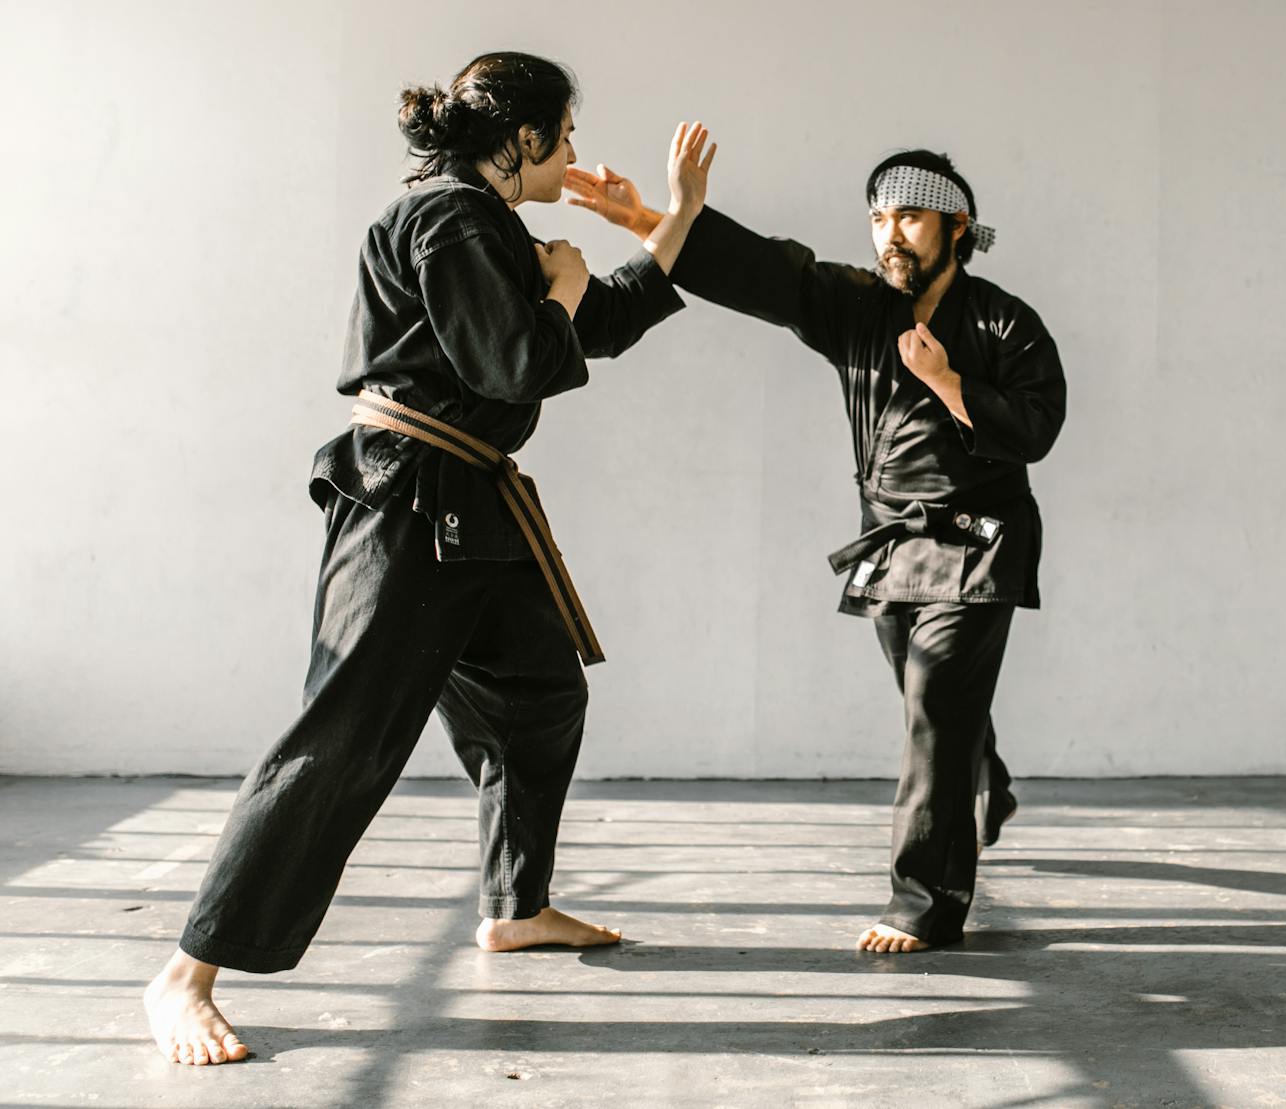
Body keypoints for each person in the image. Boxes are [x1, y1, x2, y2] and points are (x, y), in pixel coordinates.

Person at [143, 51, 716, 1065]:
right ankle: (185, 972)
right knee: (343, 732)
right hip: (407, 500)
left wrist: (677, 214)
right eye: (565, 133)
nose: (574, 152)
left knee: (537, 694)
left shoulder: (485, 224)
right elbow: (522, 360)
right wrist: (566, 285)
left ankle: (514, 906)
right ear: (523, 137)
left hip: (473, 507)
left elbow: (602, 325)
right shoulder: (449, 217)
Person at [565, 145, 1066, 953]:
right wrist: (652, 220)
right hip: (888, 540)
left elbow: (1038, 428)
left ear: (957, 224)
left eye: (907, 216)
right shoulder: (859, 305)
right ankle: (988, 778)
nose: (889, 235)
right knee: (931, 701)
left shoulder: (1007, 320)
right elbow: (769, 276)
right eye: (877, 218)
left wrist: (948, 384)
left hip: (979, 546)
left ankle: (923, 907)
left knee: (935, 702)